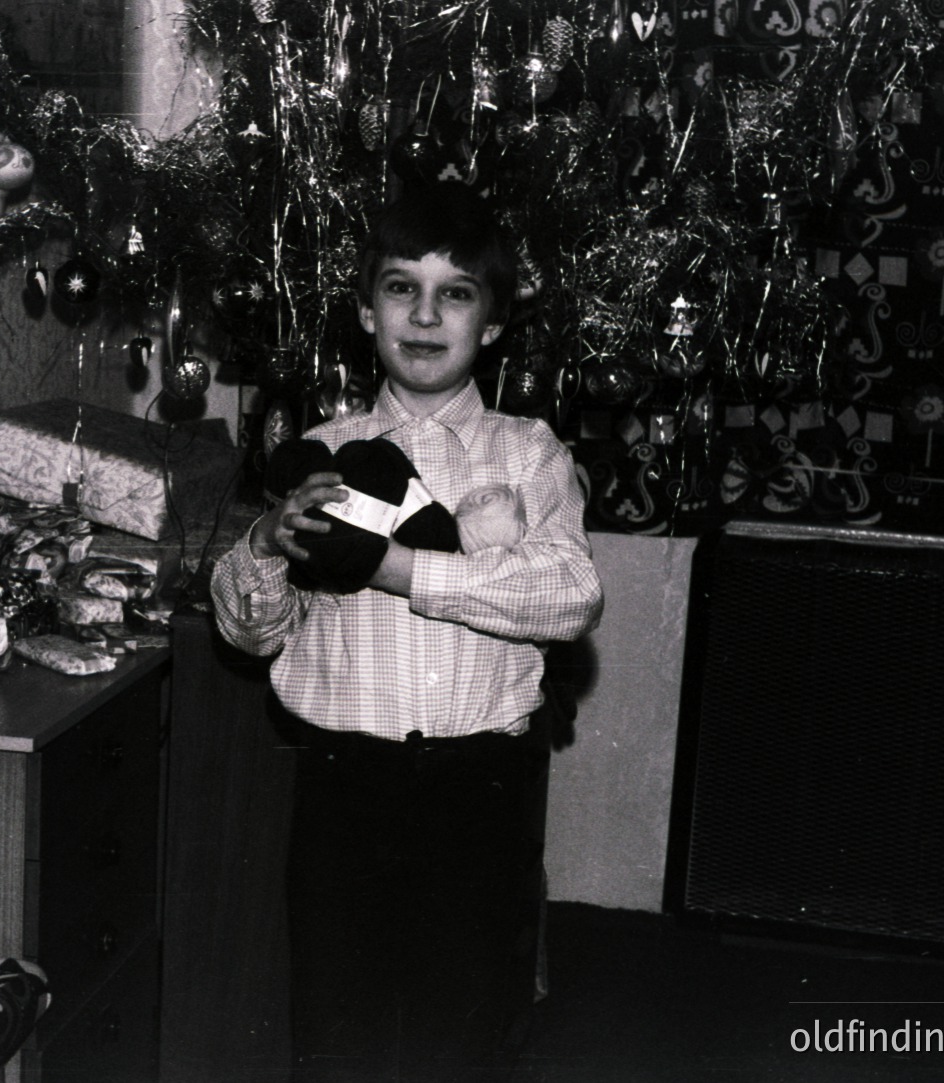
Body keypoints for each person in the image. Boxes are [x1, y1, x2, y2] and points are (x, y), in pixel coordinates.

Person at [210, 182, 604, 1082]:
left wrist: (391, 567)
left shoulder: (528, 452)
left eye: (454, 293)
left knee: (467, 1032)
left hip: (481, 791)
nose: (424, 316)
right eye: (399, 288)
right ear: (363, 310)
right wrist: (267, 544)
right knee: (336, 1022)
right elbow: (251, 631)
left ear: (492, 323)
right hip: (346, 786)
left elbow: (568, 593)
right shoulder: (320, 448)